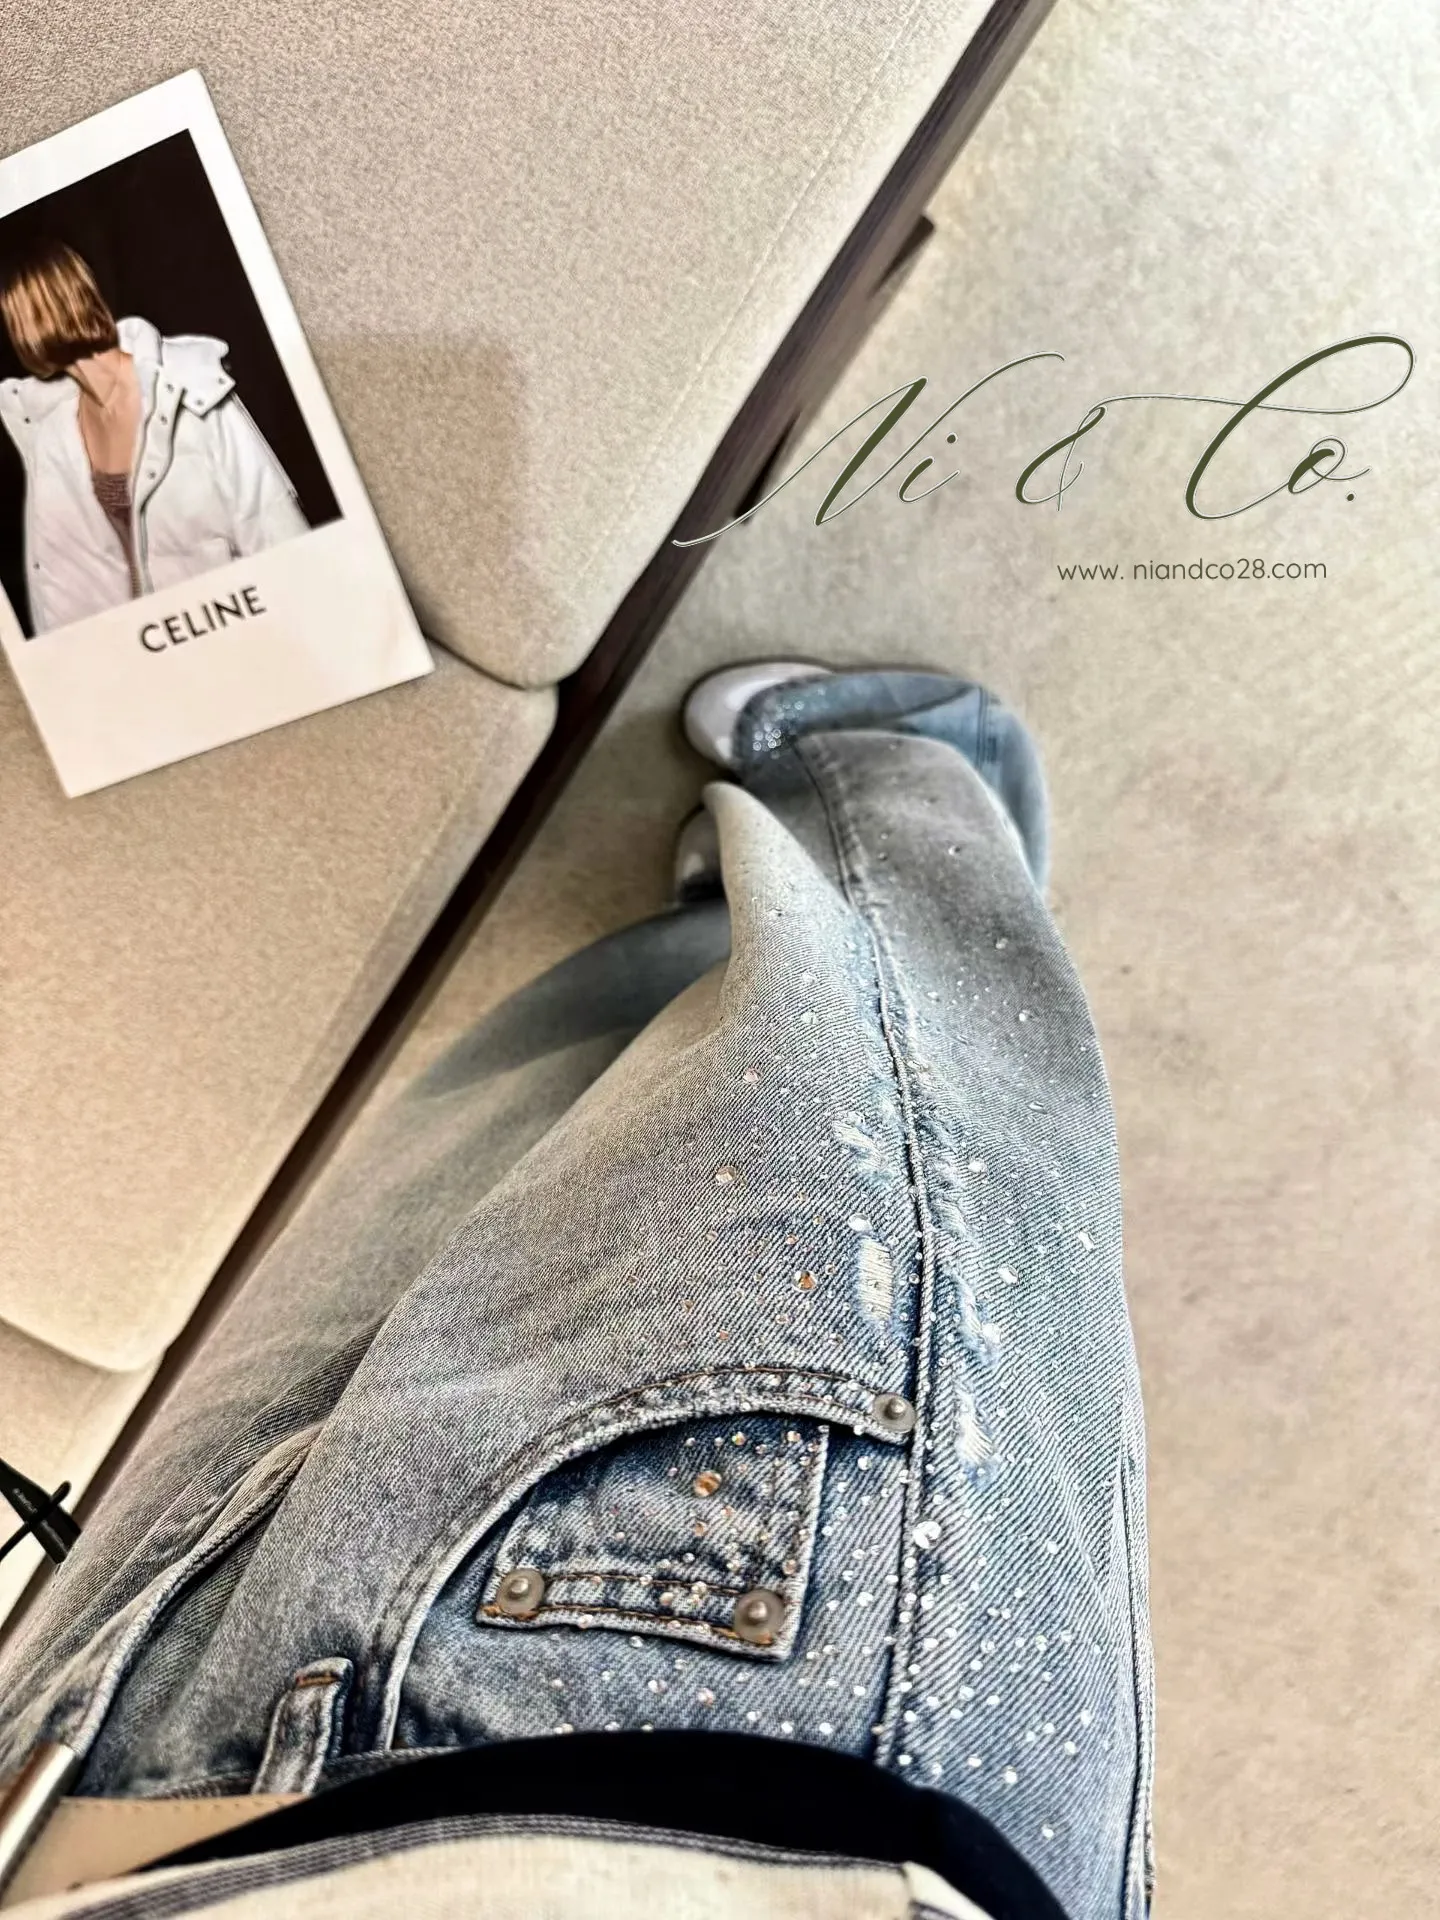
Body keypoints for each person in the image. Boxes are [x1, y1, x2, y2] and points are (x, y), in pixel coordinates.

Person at [0, 664, 1154, 1919]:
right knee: (861, 1103)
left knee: (458, 1178)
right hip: (703, 1821)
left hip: (66, 1816)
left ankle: (728, 933)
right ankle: (888, 784)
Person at [0, 239, 307, 635]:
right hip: (134, 656)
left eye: (12, 318)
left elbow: (272, 523)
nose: (12, 335)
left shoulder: (189, 389)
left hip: (233, 634)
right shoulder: (51, 436)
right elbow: (59, 588)